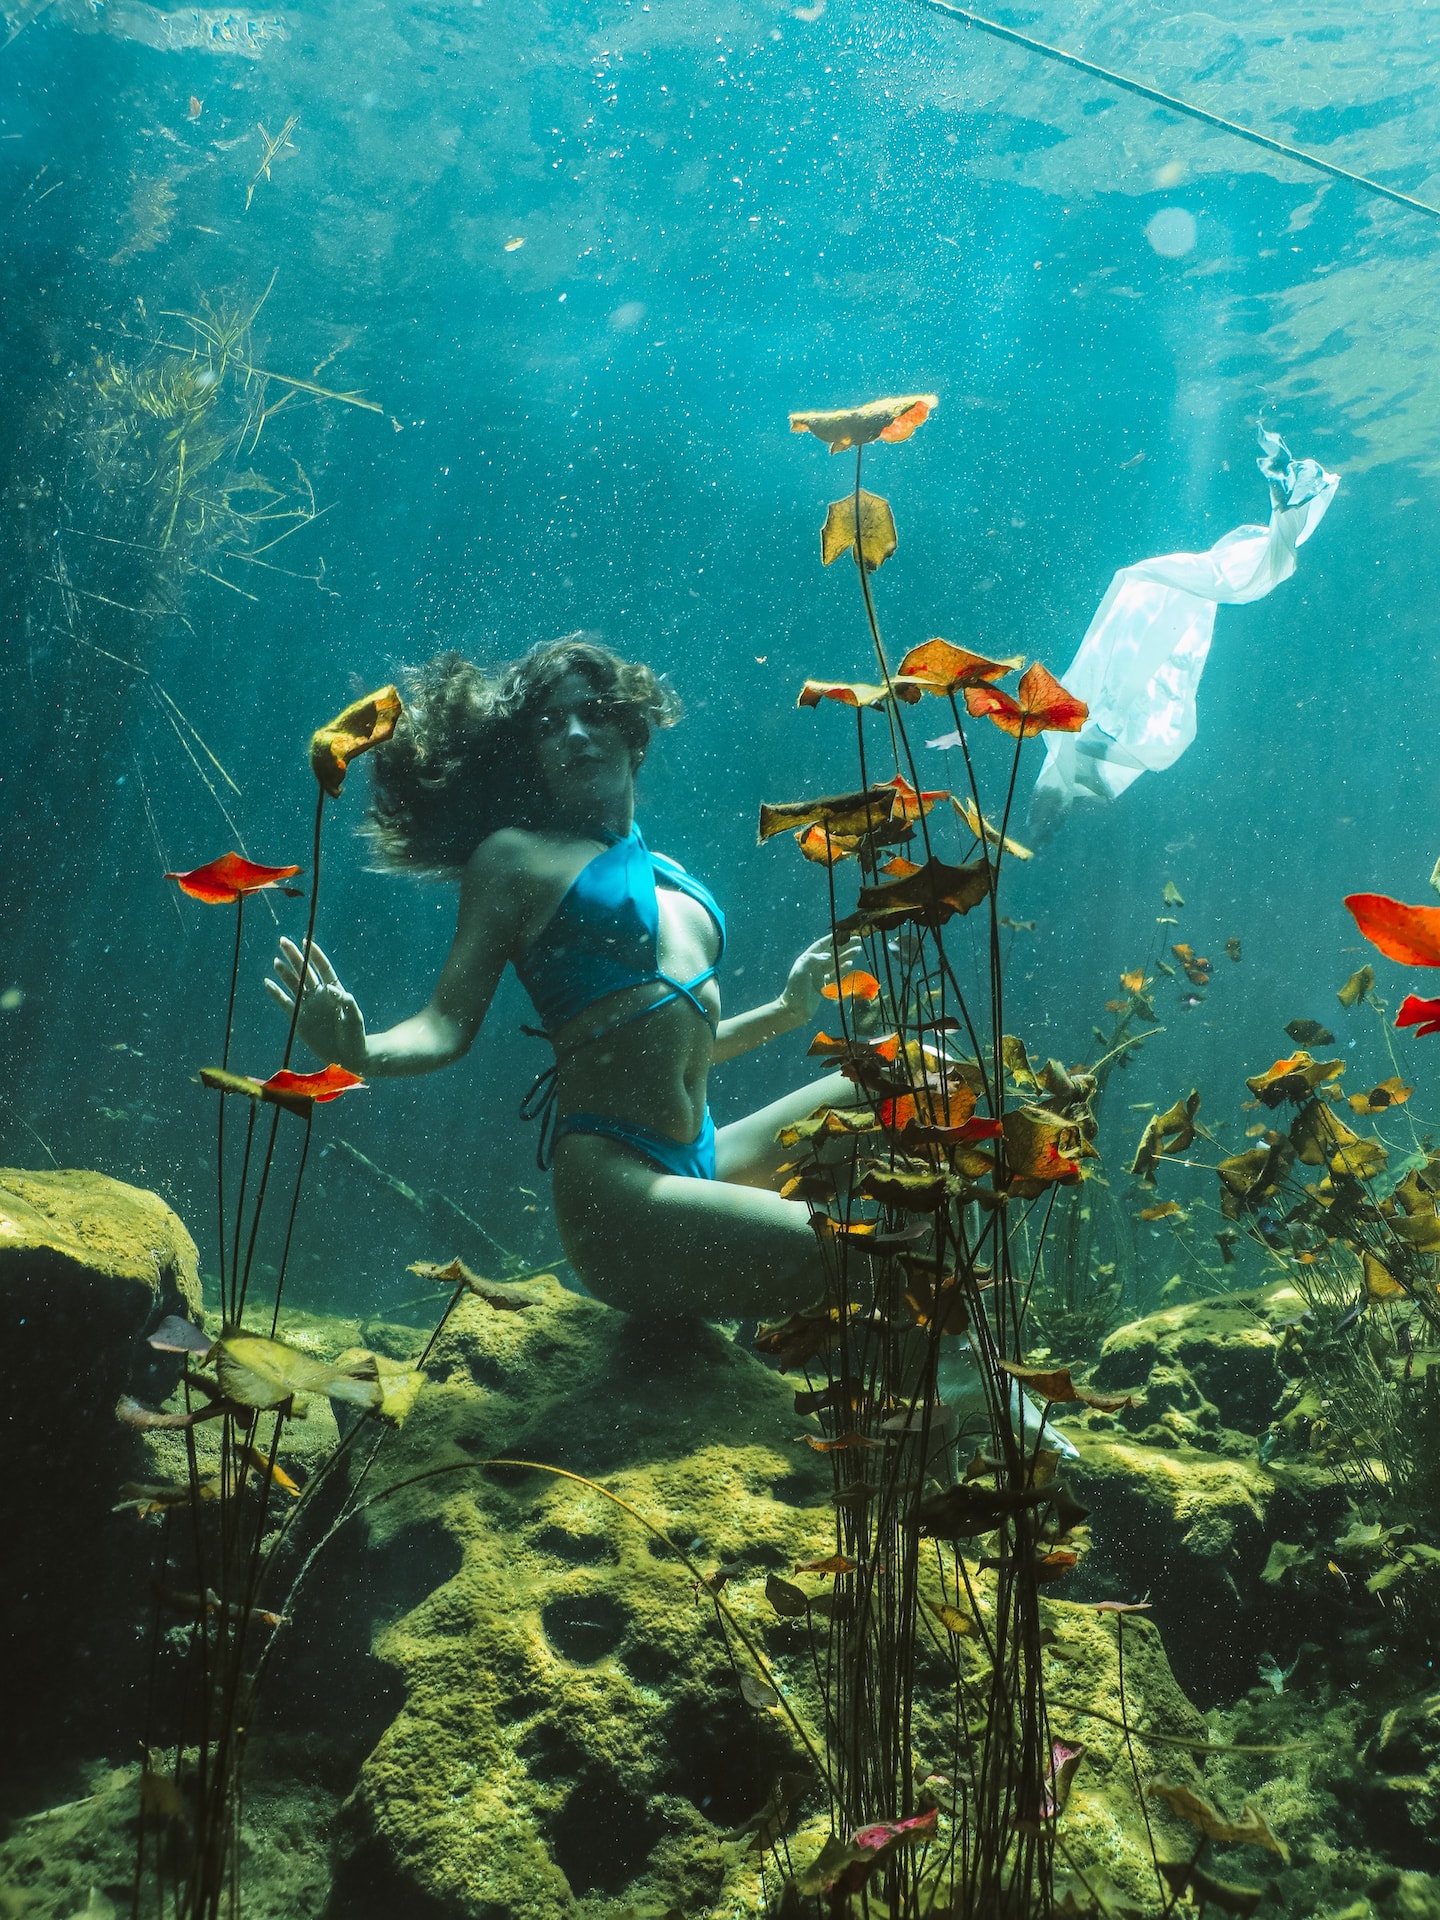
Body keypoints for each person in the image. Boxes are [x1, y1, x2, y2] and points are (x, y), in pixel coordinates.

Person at [266, 636, 864, 1319]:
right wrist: (361, 1052)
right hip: (619, 1196)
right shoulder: (515, 859)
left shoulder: (679, 882)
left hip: (705, 1159)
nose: (575, 734)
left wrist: (787, 1011)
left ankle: (939, 1379)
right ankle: (953, 1393)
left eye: (594, 713)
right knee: (843, 1253)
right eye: (550, 726)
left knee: (917, 1086)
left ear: (632, 730)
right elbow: (445, 1024)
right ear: (533, 757)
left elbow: (662, 1045)